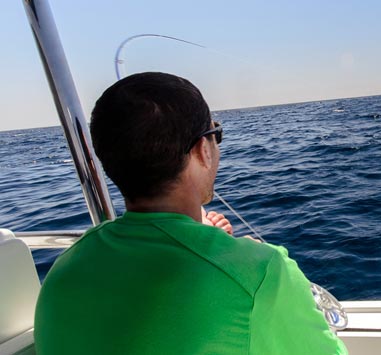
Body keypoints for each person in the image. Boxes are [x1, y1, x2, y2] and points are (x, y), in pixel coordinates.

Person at [34, 72, 348, 354]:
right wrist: (249, 264)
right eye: (216, 134)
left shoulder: (63, 272)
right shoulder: (261, 271)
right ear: (202, 149)